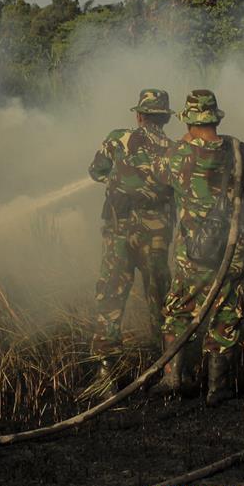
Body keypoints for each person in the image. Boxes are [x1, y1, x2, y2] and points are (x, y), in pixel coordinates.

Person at [150, 90, 244, 406]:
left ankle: (173, 378)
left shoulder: (176, 156)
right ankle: (218, 389)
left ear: (188, 120)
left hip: (193, 256)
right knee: (227, 314)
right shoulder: (240, 151)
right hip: (233, 253)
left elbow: (158, 178)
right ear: (215, 117)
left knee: (178, 311)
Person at [88, 89, 175, 395]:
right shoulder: (175, 150)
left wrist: (117, 178)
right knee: (161, 300)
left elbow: (96, 170)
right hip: (156, 237)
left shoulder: (118, 139)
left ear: (139, 115)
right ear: (164, 117)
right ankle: (166, 370)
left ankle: (106, 374)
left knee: (111, 297)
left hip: (119, 234)